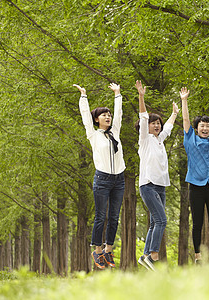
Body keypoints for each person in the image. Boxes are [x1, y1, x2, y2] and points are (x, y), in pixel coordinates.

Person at [74, 83, 126, 270]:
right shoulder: (93, 135)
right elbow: (85, 117)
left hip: (119, 179)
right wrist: (83, 96)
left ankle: (108, 249)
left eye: (109, 114)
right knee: (101, 216)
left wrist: (117, 94)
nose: (108, 116)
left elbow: (119, 114)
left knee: (114, 217)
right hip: (102, 180)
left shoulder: (116, 132)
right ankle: (97, 250)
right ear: (97, 119)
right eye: (104, 115)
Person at [180, 87, 209, 264]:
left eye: (208, 125)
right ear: (197, 128)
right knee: (197, 223)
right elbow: (185, 119)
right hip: (196, 186)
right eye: (202, 126)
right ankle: (198, 256)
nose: (206, 128)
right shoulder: (190, 138)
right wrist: (184, 100)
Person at [134, 80, 179, 271]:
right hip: (148, 184)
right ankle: (153, 255)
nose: (157, 126)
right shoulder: (144, 140)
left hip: (161, 185)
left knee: (155, 222)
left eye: (158, 123)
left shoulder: (160, 140)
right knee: (161, 220)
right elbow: (143, 117)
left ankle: (144, 256)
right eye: (154, 124)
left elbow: (168, 127)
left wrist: (174, 113)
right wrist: (141, 96)